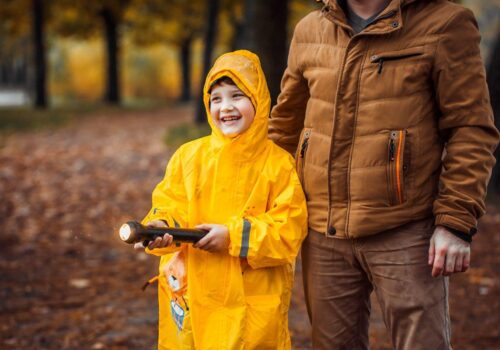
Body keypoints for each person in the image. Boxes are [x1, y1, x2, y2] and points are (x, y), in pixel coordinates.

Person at [269, 0, 499, 348]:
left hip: (406, 230)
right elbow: (285, 128)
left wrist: (455, 220)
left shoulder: (445, 23)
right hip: (323, 231)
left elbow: (471, 128)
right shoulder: (310, 29)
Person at [137, 50, 307, 350]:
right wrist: (161, 226)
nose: (226, 107)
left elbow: (288, 230)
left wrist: (234, 237)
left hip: (250, 305)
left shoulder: (277, 165)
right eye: (216, 99)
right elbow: (171, 202)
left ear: (258, 100)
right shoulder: (189, 157)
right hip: (195, 298)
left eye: (237, 96)